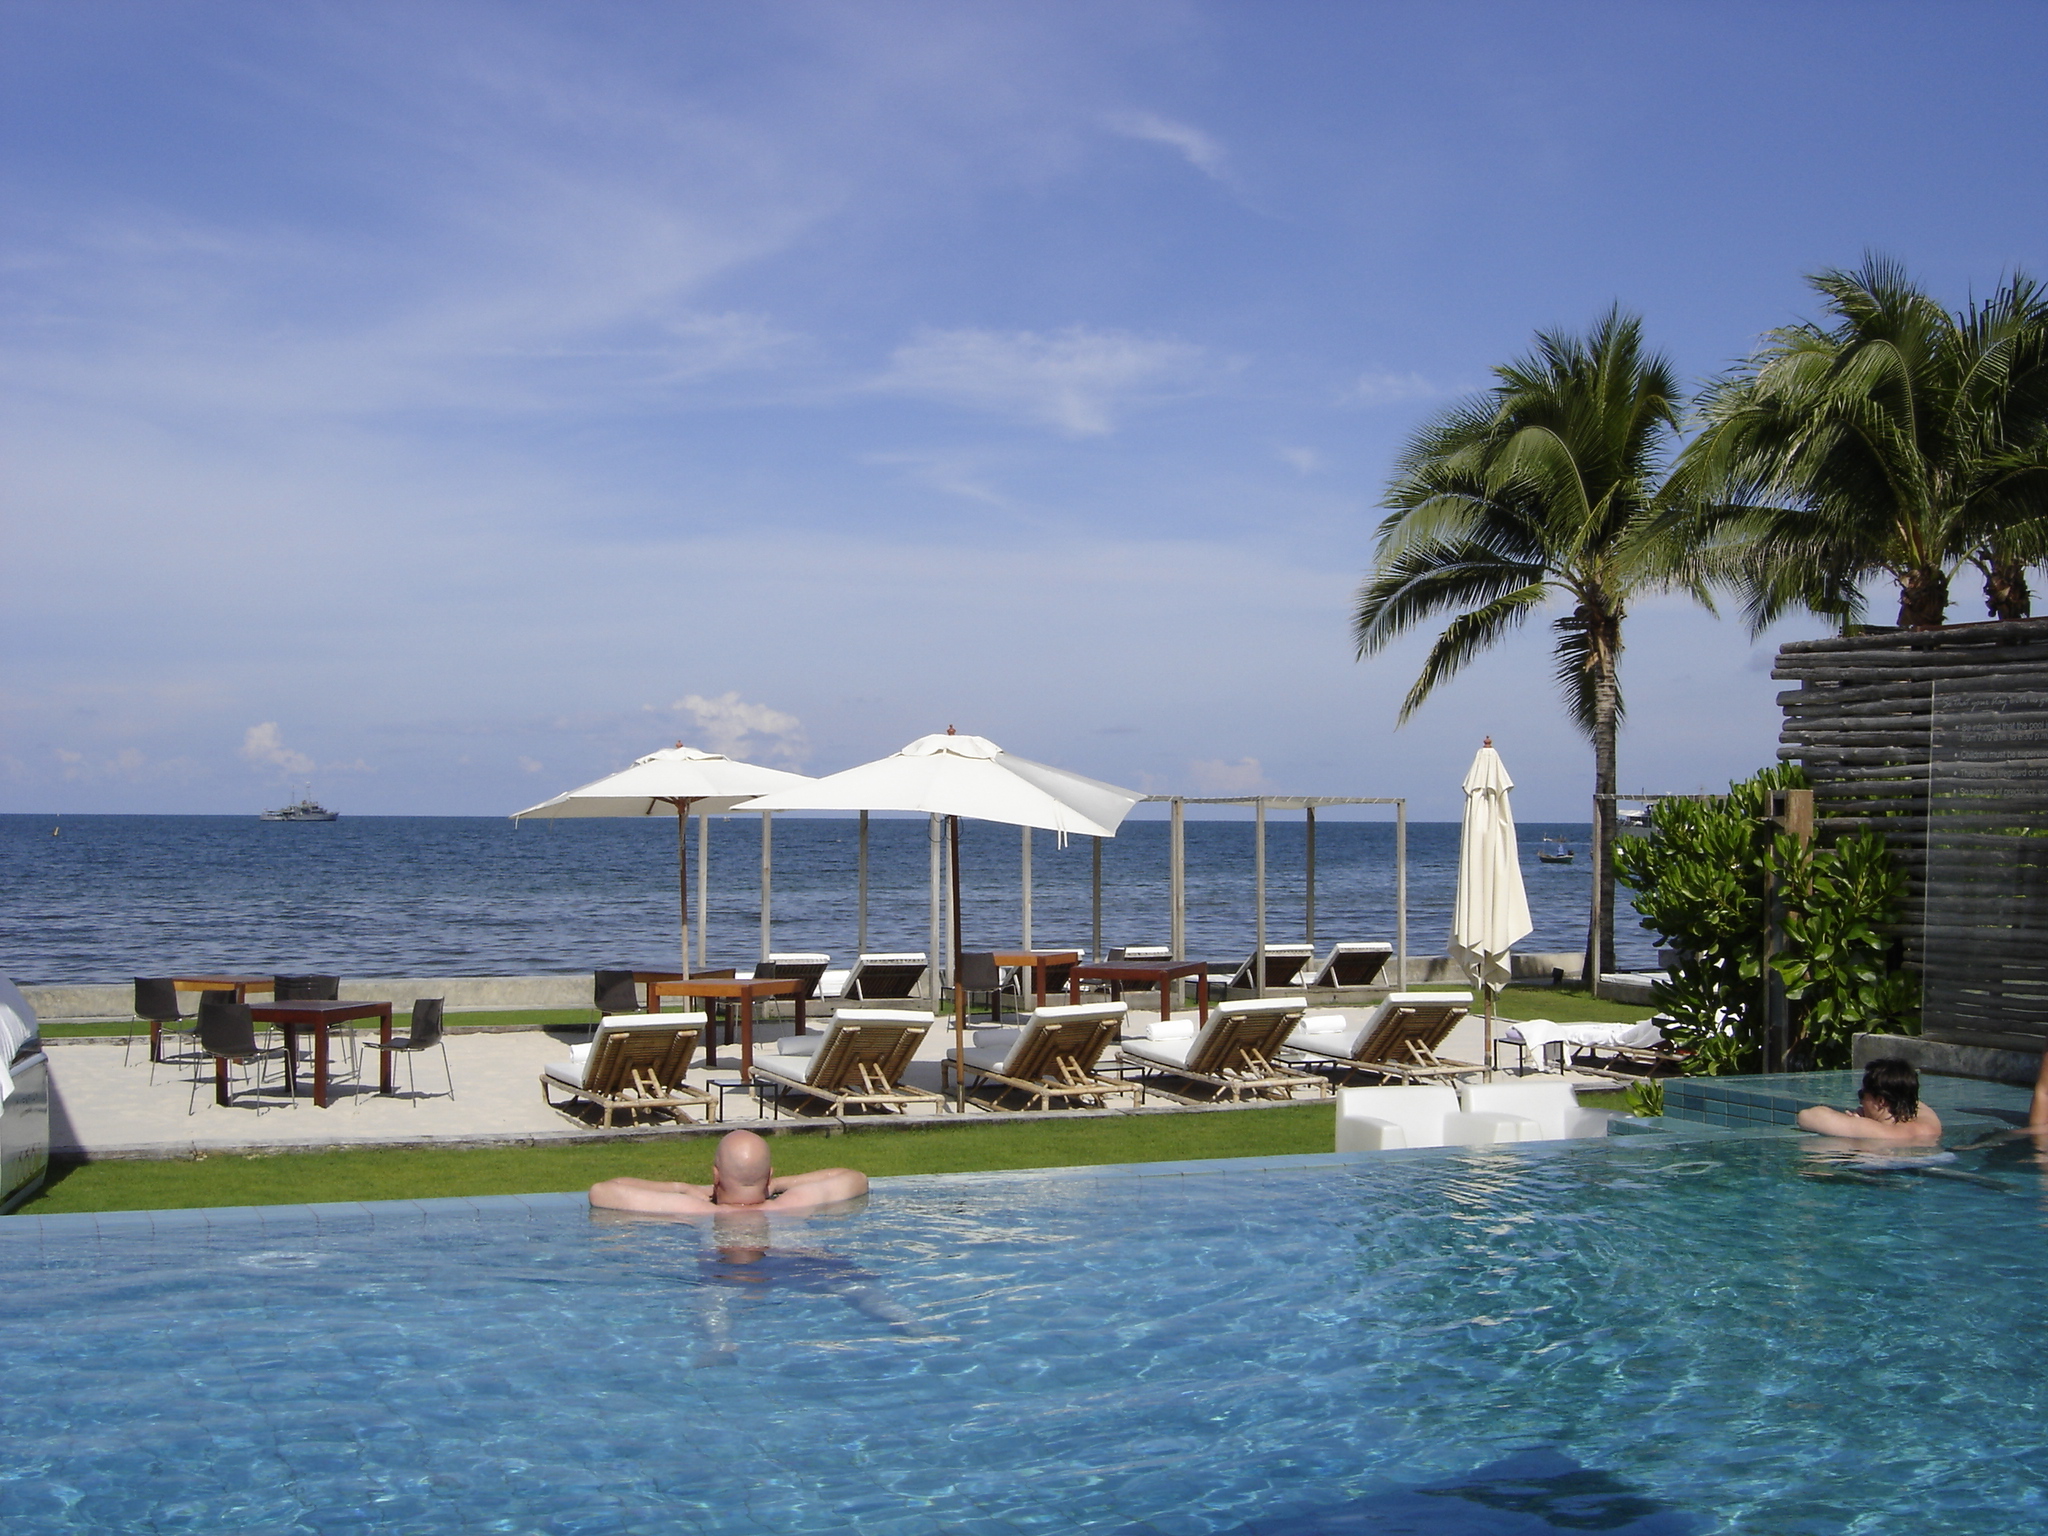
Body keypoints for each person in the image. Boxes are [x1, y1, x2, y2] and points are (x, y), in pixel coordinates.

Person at [589, 1129, 869, 1216]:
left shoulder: (696, 1210)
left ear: (716, 1175)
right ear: (769, 1175)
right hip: (795, 1259)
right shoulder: (792, 1205)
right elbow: (854, 1177)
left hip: (721, 1266)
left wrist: (681, 1188)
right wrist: (777, 1185)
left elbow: (603, 1191)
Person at [1796, 1057, 1942, 1145]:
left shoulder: (1878, 1132)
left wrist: (1857, 1121)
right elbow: (1911, 1099)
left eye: (1862, 1095)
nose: (1861, 1103)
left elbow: (1806, 1116)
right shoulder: (1930, 1125)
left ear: (1881, 1101)